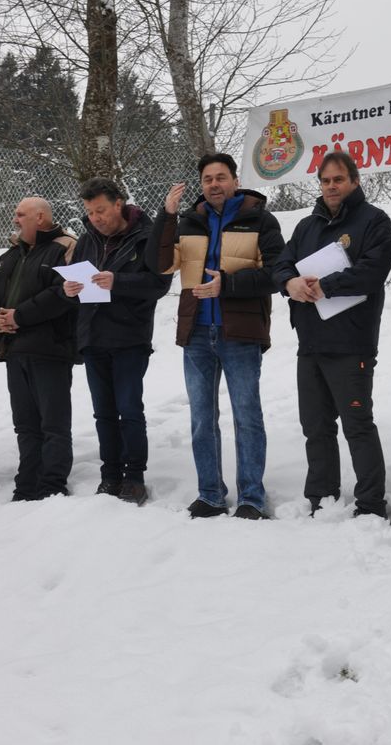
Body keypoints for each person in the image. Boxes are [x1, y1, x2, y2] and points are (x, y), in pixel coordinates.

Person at [147, 153, 284, 520]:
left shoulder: (260, 219)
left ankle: (251, 497)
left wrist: (229, 285)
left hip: (240, 332)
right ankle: (210, 493)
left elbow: (276, 272)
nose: (214, 185)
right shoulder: (189, 221)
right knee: (201, 418)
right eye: (207, 179)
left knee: (246, 415)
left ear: (235, 181)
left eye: (221, 177)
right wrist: (166, 216)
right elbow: (159, 264)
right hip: (196, 334)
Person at [273, 151, 391, 519]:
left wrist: (326, 286)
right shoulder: (306, 226)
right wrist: (289, 282)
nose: (331, 186)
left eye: (338, 180)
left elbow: (372, 272)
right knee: (315, 426)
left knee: (357, 424)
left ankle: (371, 504)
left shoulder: (375, 221)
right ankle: (321, 497)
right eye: (325, 180)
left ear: (355, 182)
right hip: (310, 341)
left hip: (351, 341)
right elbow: (281, 264)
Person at [64, 178, 172, 506]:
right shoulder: (86, 241)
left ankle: (135, 477)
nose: (96, 217)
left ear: (118, 203)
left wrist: (117, 281)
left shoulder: (146, 236)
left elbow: (159, 283)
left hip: (129, 337)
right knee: (103, 413)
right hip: (93, 338)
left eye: (100, 210)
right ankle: (109, 475)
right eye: (89, 212)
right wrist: (68, 290)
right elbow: (74, 282)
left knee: (129, 409)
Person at [0, 197, 79, 501]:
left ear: (40, 217)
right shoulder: (10, 255)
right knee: (24, 423)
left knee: (53, 422)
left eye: (20, 214)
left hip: (51, 348)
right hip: (14, 349)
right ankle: (26, 483)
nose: (15, 219)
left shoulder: (67, 248)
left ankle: (52, 484)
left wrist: (18, 316)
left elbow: (65, 294)